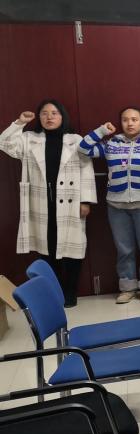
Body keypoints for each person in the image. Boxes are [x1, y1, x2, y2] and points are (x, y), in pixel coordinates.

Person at [1, 101, 96, 307]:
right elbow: (4, 143)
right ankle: (55, 292)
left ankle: (70, 292)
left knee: (72, 248)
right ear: (39, 117)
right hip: (41, 202)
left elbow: (87, 170)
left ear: (62, 116)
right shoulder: (29, 139)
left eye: (54, 113)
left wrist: (86, 200)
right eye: (44, 113)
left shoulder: (75, 140)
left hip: (70, 202)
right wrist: (19, 123)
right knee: (47, 249)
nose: (49, 117)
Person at [79, 107, 140, 304]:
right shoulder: (111, 144)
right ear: (120, 123)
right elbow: (83, 148)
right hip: (117, 205)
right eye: (125, 119)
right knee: (124, 249)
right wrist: (102, 130)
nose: (130, 123)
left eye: (134, 119)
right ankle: (127, 288)